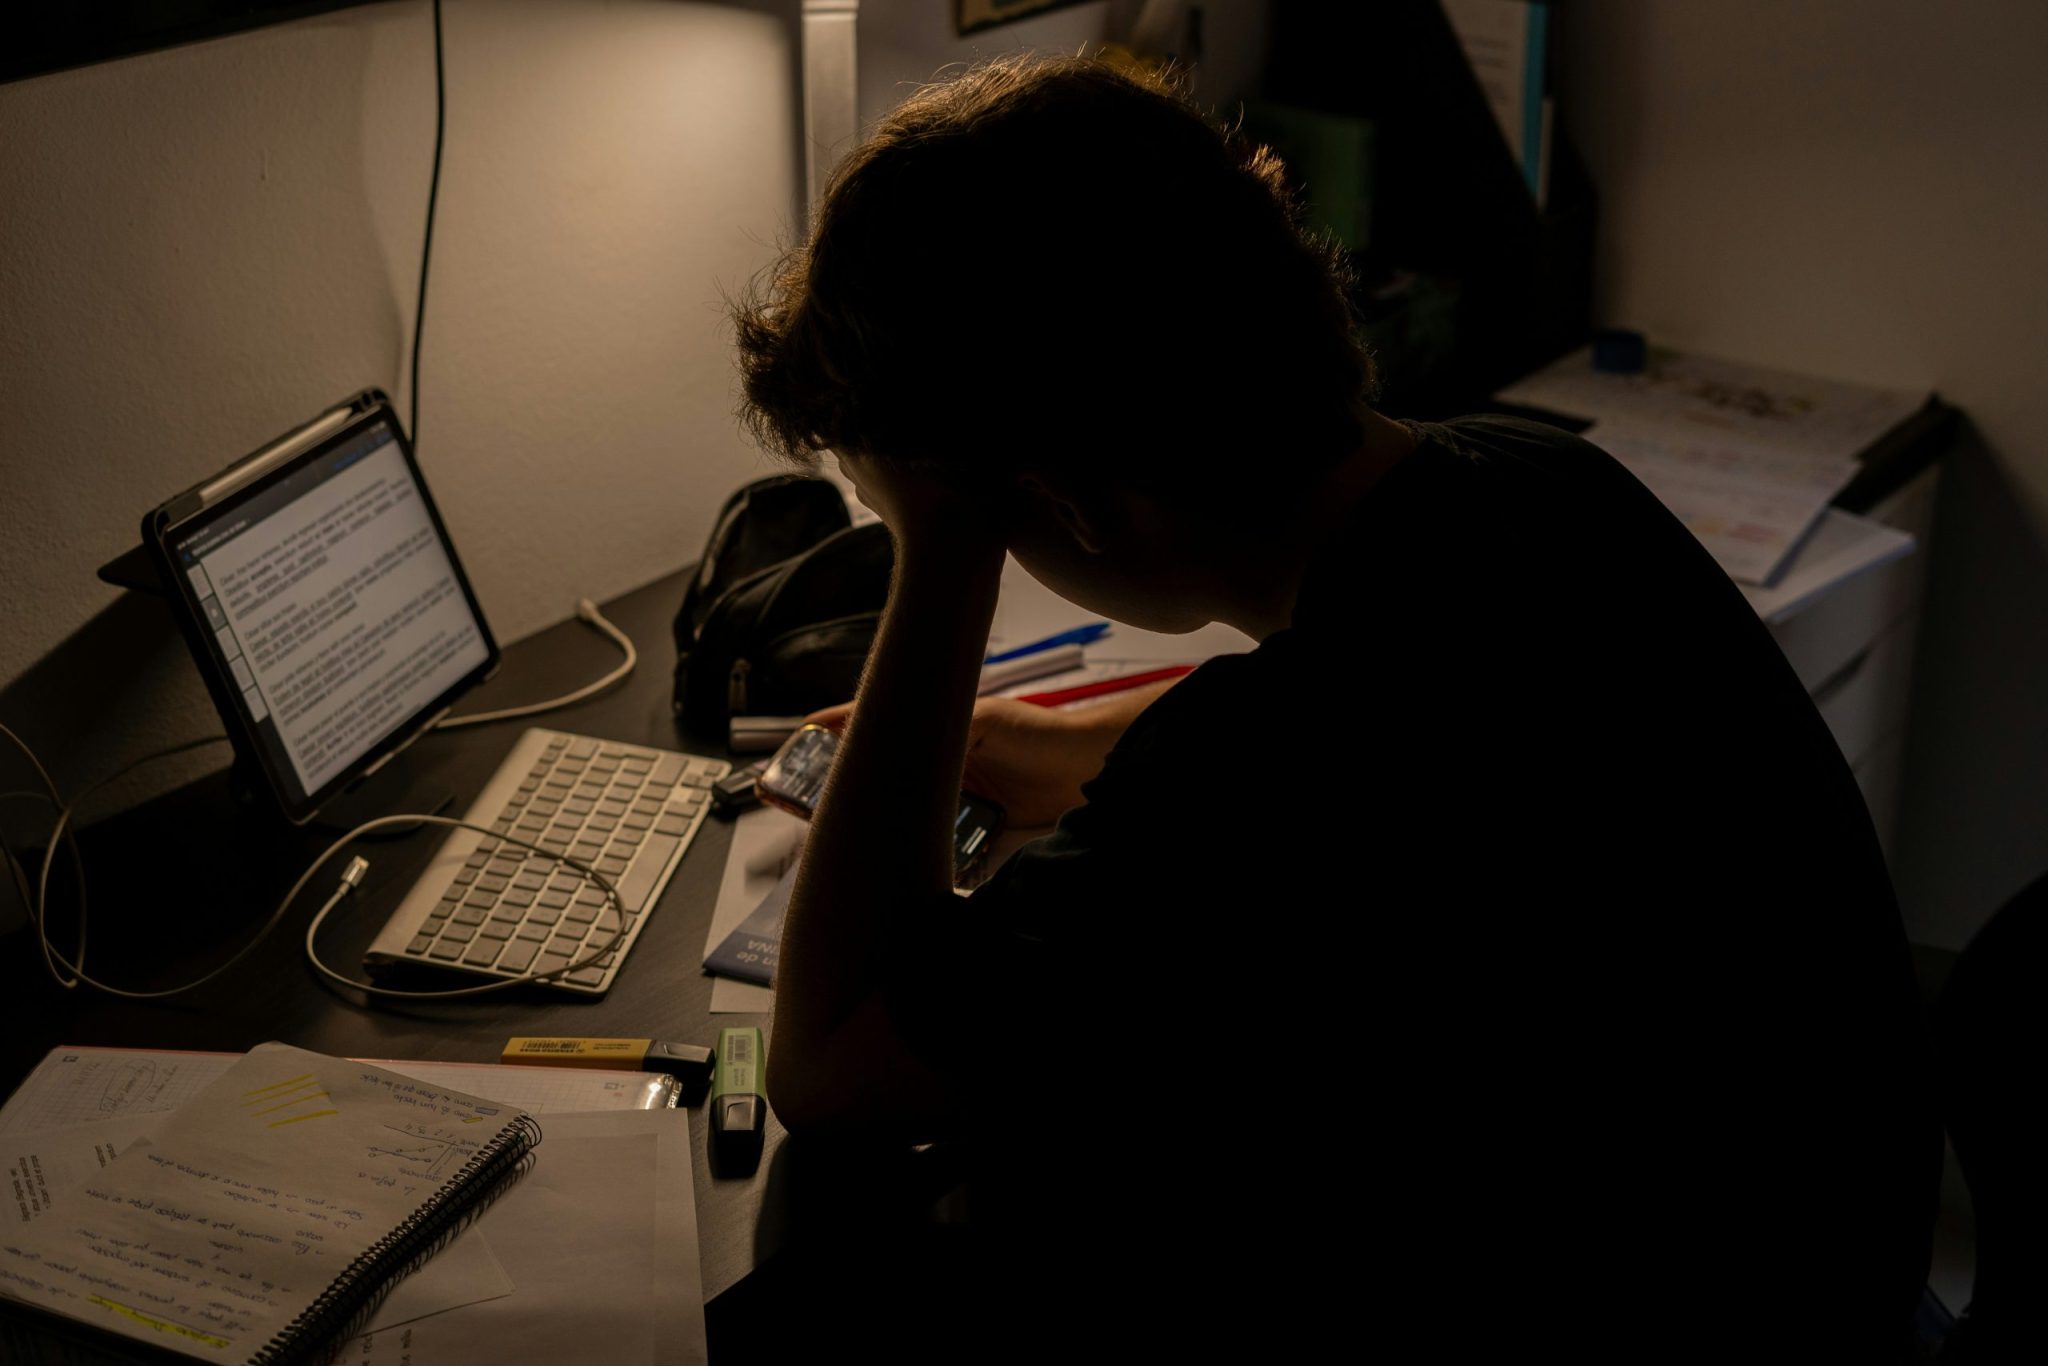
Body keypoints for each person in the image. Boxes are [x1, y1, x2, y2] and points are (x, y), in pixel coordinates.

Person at [728, 53, 1937, 1359]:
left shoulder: (1271, 771)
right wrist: (1079, 748)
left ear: (1063, 498)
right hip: (1825, 1271)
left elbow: (832, 1071)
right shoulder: (1538, 482)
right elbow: (1434, 731)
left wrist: (943, 548)